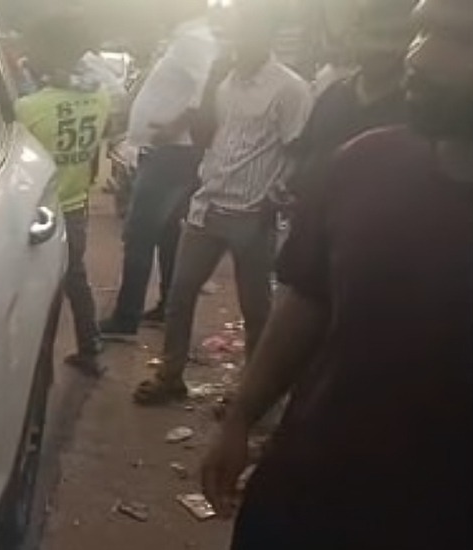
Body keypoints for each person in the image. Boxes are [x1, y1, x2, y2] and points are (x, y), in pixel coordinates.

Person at [201, 0, 473, 547]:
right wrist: (241, 418)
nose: (418, 56)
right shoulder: (365, 164)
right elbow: (308, 300)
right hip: (306, 492)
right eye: (421, 31)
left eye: (462, 39)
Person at [133, 0, 313, 404]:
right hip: (208, 205)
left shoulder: (290, 88)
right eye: (230, 32)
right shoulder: (224, 83)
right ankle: (170, 376)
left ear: (264, 35)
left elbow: (298, 151)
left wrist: (276, 196)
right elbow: (215, 137)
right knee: (179, 295)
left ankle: (251, 395)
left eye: (243, 31)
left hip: (252, 214)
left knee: (256, 311)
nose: (234, 40)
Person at [99, 0, 218, 336]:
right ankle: (166, 306)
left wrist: (173, 127)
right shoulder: (188, 38)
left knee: (139, 233)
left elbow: (205, 92)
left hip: (172, 151)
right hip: (168, 150)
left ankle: (126, 317)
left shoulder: (195, 40)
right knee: (168, 233)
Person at [15, 15, 111, 376]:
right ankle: (90, 346)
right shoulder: (99, 96)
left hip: (37, 211)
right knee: (75, 276)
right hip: (76, 204)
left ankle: (37, 369)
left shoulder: (28, 108)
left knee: (38, 292)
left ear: (45, 53)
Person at [291, 0, 416, 199]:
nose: (386, 47)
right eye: (376, 35)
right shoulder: (332, 95)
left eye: (397, 37)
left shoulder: (415, 113)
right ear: (355, 36)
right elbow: (304, 160)